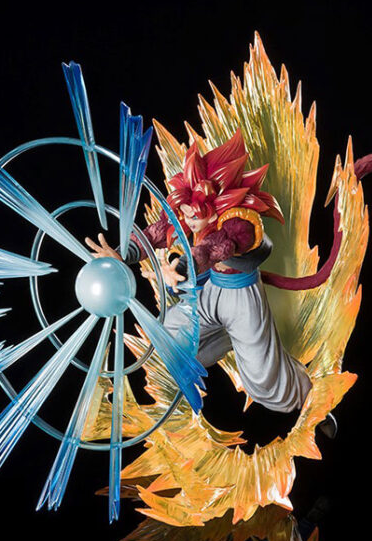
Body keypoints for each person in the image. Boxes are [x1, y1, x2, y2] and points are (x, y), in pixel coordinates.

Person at [86, 130, 311, 414]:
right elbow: (155, 234)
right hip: (210, 291)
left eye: (195, 213)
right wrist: (123, 254)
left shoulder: (240, 222)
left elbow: (214, 248)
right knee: (171, 341)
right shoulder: (189, 213)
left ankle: (309, 398)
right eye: (186, 212)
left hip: (242, 298)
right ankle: (232, 339)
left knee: (262, 382)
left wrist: (181, 268)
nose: (189, 219)